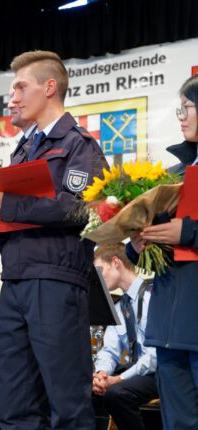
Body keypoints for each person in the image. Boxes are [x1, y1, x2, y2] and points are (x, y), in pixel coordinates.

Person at [0, 50, 108, 430]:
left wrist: (10, 205)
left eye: (20, 87)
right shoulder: (21, 149)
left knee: (67, 405)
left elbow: (84, 210)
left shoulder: (80, 145)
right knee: (15, 407)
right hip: (15, 283)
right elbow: (21, 215)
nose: (12, 97)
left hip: (56, 283)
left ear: (50, 88)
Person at [128, 74, 198, 429]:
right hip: (169, 325)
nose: (181, 116)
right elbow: (139, 253)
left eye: (187, 108)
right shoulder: (172, 175)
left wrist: (186, 231)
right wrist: (138, 244)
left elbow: (183, 233)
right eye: (179, 109)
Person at [92, 244, 157, 430]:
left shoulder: (153, 296)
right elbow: (110, 350)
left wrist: (118, 380)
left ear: (115, 263)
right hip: (138, 369)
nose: (99, 278)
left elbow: (155, 356)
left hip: (160, 370)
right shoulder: (120, 306)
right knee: (87, 389)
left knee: (116, 393)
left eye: (100, 270)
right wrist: (102, 374)